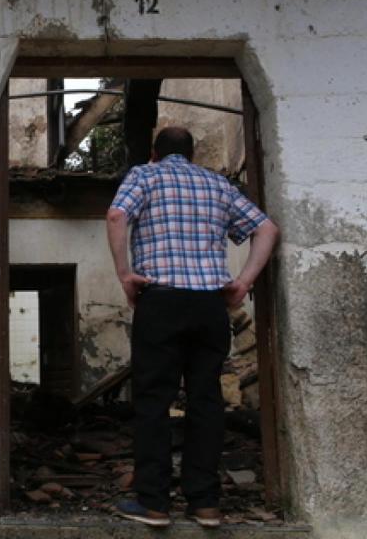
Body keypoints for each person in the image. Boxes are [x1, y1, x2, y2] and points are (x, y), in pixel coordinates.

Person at [106, 126, 279, 528]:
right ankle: (205, 504)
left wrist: (125, 275)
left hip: (161, 300)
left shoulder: (145, 176)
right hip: (208, 305)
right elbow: (266, 229)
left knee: (153, 400)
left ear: (155, 152)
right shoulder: (217, 183)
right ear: (192, 153)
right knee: (206, 401)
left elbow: (117, 215)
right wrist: (244, 282)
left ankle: (153, 504)